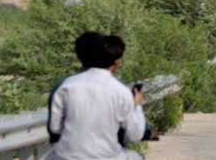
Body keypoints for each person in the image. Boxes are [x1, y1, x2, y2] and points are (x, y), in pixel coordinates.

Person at [47, 32, 146, 160]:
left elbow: (55, 128)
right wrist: (137, 106)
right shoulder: (121, 91)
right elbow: (135, 135)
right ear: (117, 61)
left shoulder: (66, 86)